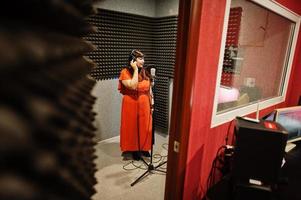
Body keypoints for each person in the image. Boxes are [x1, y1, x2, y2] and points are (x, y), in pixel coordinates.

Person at [118, 50, 152, 160]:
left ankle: (143, 147)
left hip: (144, 103)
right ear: (133, 60)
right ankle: (134, 149)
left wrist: (152, 103)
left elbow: (149, 89)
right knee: (132, 127)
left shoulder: (145, 72)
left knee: (144, 126)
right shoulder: (124, 72)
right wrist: (136, 69)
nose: (143, 61)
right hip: (130, 104)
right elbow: (132, 86)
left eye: (143, 58)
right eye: (140, 58)